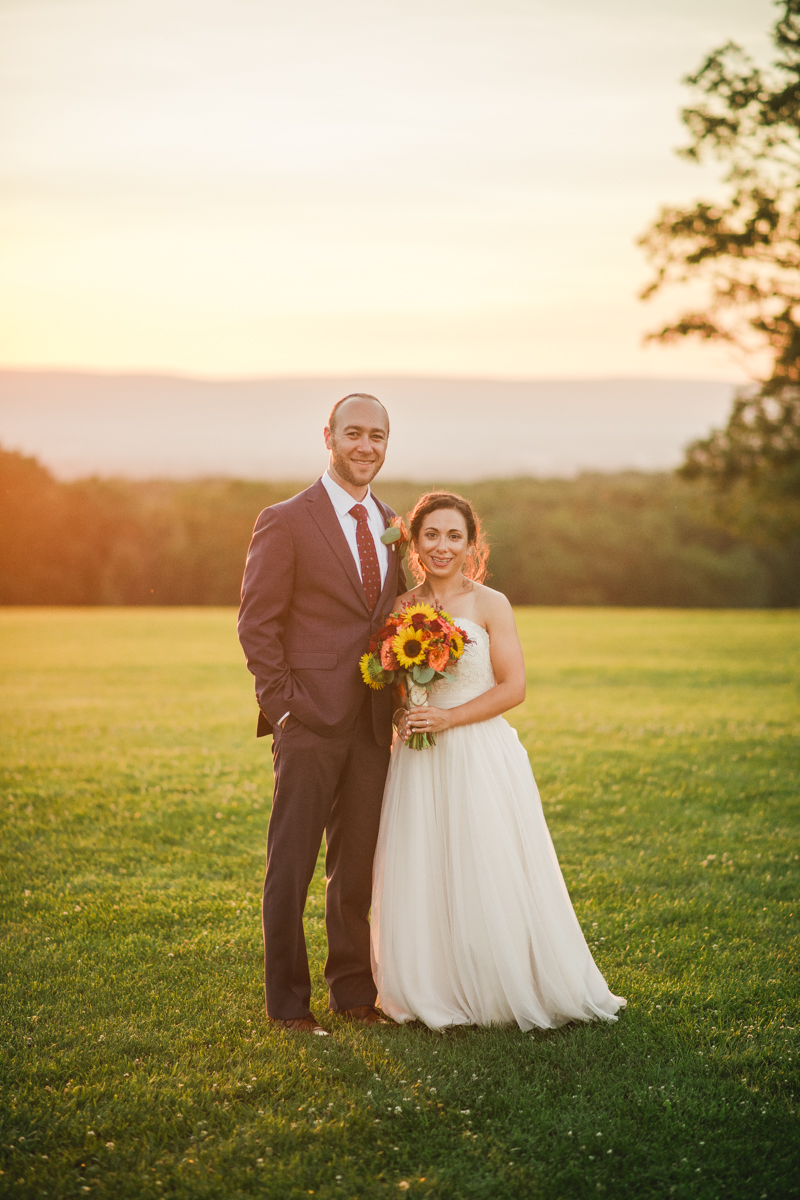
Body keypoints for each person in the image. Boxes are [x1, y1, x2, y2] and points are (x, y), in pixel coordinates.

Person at [371, 491, 626, 1030]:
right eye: (432, 535)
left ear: (471, 544)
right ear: (414, 542)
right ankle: (430, 985)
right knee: (426, 865)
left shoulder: (491, 604)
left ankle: (498, 982)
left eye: (454, 536)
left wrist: (449, 718)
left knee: (486, 866)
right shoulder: (400, 608)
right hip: (418, 760)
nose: (442, 547)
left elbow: (514, 688)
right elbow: (396, 687)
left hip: (479, 753)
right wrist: (405, 716)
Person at [238, 393, 406, 1035]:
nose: (367, 446)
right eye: (355, 433)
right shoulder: (285, 519)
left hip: (370, 722)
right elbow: (257, 624)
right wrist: (282, 710)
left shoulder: (393, 522)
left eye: (379, 436)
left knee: (354, 865)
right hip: (306, 722)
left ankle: (352, 994)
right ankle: (287, 1005)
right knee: (293, 864)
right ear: (329, 436)